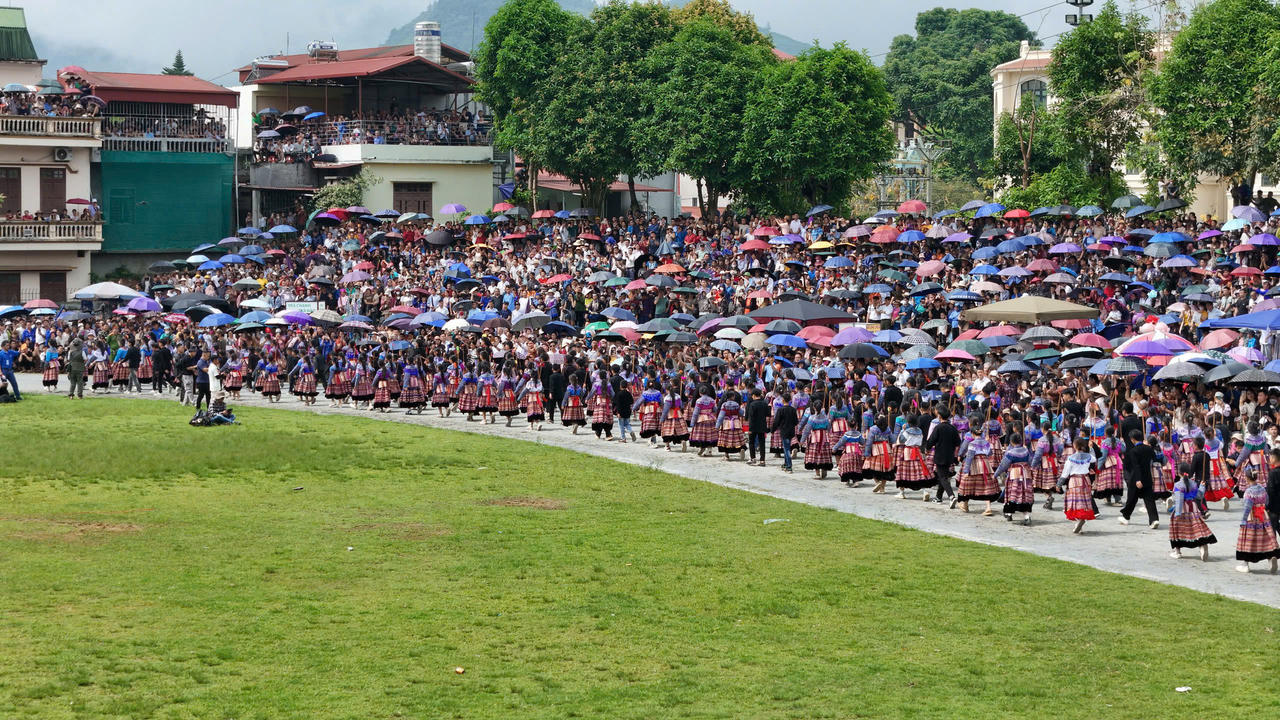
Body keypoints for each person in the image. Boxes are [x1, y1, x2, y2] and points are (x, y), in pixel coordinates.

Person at [1169, 462, 1216, 561]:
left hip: (1182, 509)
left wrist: (1177, 513)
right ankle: (1202, 545)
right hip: (1193, 507)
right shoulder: (1193, 483)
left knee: (1177, 529)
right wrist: (1202, 487)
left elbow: (1179, 500)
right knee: (1196, 528)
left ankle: (1177, 551)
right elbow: (1199, 496)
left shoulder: (1178, 485)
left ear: (1179, 472)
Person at [1235, 472, 1280, 574]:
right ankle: (1270, 557)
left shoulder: (1248, 492)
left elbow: (1247, 507)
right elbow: (1267, 501)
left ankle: (1245, 564)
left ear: (1247, 478)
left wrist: (1243, 520)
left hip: (1252, 516)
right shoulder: (1262, 489)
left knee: (1248, 539)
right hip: (1263, 516)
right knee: (1266, 537)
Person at [1119, 430, 1159, 529]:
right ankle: (1154, 520)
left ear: (1132, 439)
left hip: (1136, 478)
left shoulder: (1133, 451)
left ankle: (1126, 516)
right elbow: (1155, 458)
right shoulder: (1149, 449)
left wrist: (1138, 479)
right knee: (1149, 500)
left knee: (1132, 499)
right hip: (1148, 477)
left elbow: (1136, 466)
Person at [1059, 437, 1099, 535]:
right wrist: (1091, 448)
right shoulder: (1088, 457)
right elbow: (1094, 458)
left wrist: (1059, 483)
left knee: (1074, 501)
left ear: (1074, 446)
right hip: (1085, 480)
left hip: (1074, 480)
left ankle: (1078, 521)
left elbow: (1065, 473)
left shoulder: (1071, 458)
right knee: (1084, 501)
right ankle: (1080, 521)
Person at [925, 406, 961, 504]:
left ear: (939, 416)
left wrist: (927, 448)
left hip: (940, 455)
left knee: (942, 477)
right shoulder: (952, 428)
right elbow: (958, 443)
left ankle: (951, 496)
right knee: (943, 475)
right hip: (950, 455)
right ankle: (938, 497)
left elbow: (930, 441)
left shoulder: (938, 428)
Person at [769, 392, 798, 473]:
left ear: (783, 400)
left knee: (787, 449)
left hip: (784, 431)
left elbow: (776, 422)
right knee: (786, 447)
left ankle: (789, 466)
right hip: (791, 431)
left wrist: (772, 430)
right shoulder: (793, 410)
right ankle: (786, 463)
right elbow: (796, 421)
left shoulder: (780, 410)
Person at [745, 388, 770, 466]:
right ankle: (762, 460)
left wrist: (750, 428)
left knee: (751, 442)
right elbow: (768, 415)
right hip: (762, 425)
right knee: (762, 443)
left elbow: (751, 417)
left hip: (754, 426)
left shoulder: (752, 404)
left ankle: (753, 458)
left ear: (753, 395)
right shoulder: (765, 403)